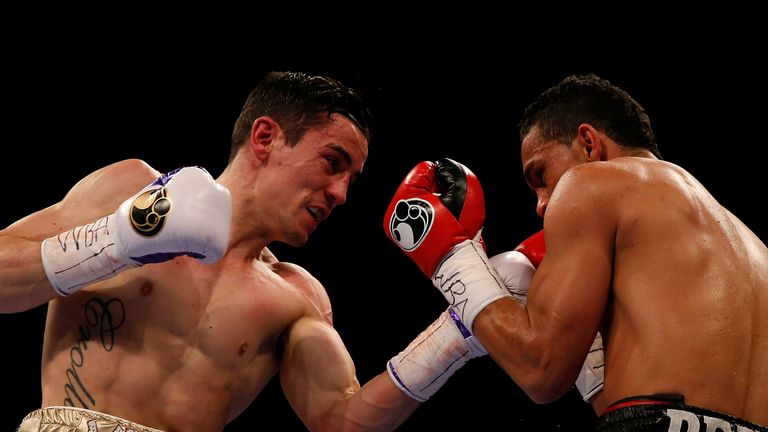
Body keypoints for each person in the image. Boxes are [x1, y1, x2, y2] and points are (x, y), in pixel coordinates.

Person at [0, 71, 484, 431]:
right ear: (266, 137)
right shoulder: (129, 190)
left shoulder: (298, 298)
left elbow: (341, 422)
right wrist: (123, 238)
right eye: (332, 163)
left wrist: (456, 332)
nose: (340, 194)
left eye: (350, 181)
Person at [384, 74, 768, 431]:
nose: (540, 205)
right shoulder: (751, 246)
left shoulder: (591, 183)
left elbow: (541, 370)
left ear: (588, 143)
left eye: (540, 176)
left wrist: (453, 257)